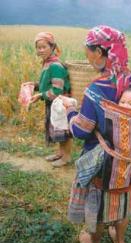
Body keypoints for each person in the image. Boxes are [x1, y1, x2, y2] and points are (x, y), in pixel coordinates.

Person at [61, 25, 131, 243]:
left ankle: (94, 241)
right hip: (130, 158)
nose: (86, 56)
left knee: (99, 204)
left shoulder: (96, 89)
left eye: (87, 50)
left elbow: (81, 131)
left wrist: (71, 110)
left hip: (103, 160)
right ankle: (120, 241)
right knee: (123, 199)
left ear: (99, 52)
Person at [26, 32, 72, 167]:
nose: (40, 50)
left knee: (63, 128)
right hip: (53, 102)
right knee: (56, 127)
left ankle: (67, 157)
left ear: (52, 47)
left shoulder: (55, 65)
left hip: (62, 102)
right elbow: (46, 85)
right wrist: (33, 86)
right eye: (38, 48)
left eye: (43, 47)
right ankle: (60, 153)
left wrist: (40, 95)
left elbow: (57, 90)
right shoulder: (47, 63)